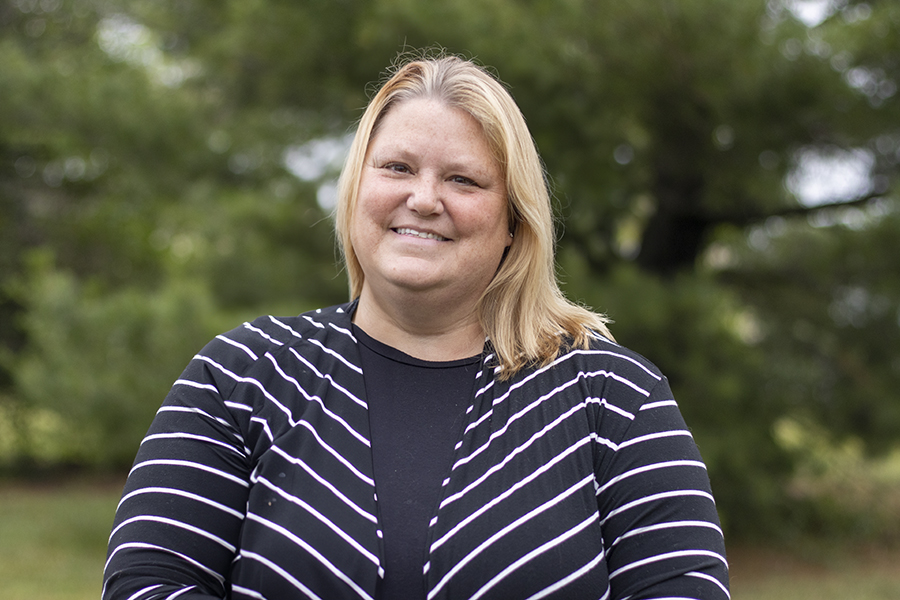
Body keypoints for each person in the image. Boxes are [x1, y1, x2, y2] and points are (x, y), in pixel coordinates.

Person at [103, 52, 729, 600]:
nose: (424, 199)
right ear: (355, 193)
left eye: (462, 179)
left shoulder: (613, 398)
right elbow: (147, 583)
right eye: (397, 168)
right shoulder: (242, 375)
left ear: (514, 221)